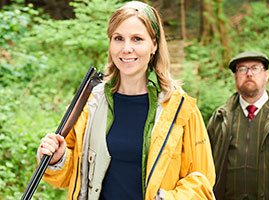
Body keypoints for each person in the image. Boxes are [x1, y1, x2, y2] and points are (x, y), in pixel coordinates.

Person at [37, 1, 216, 199]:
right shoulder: (90, 103)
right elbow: (74, 176)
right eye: (118, 38)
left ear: (154, 45)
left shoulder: (180, 108)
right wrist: (58, 158)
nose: (126, 48)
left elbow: (202, 181)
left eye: (137, 39)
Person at [207, 51, 269, 200]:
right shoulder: (220, 118)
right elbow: (206, 166)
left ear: (266, 75)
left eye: (255, 68)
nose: (249, 74)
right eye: (242, 69)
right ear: (235, 77)